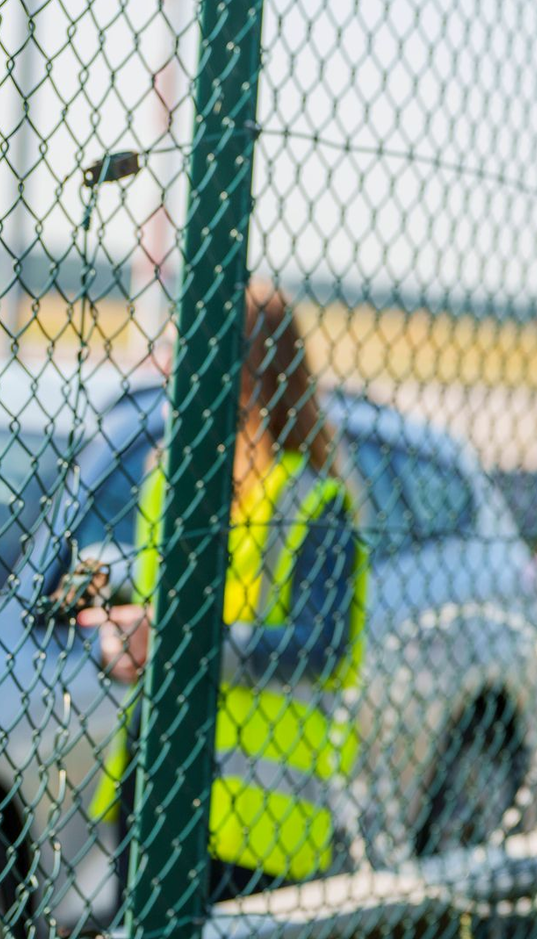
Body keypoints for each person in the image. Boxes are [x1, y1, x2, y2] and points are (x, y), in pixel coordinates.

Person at [79, 282, 367, 900]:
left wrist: (184, 644)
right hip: (153, 775)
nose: (170, 369)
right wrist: (120, 638)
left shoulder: (309, 500)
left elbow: (320, 645)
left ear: (245, 372)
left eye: (188, 352)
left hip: (251, 820)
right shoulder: (168, 475)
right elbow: (152, 599)